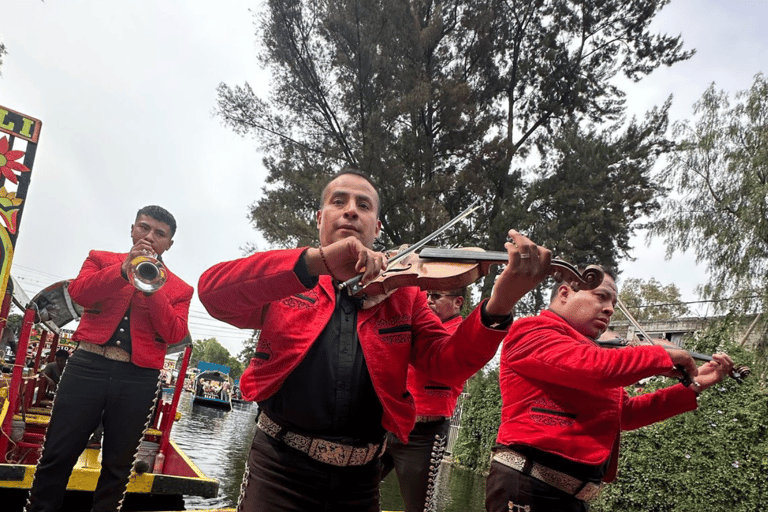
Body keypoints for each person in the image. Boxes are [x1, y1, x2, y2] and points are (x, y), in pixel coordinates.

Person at [197, 169, 552, 512]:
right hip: (279, 470)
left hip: (361, 480)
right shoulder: (288, 276)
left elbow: (447, 364)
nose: (351, 209)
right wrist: (315, 262)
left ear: (376, 227)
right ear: (320, 218)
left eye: (364, 205)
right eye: (340, 201)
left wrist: (500, 304)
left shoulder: (404, 294)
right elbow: (214, 294)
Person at [486, 269, 734, 512]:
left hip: (565, 495)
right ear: (564, 293)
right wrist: (658, 355)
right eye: (601, 296)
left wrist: (697, 383)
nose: (610, 309)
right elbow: (594, 367)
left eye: (613, 302)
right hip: (529, 485)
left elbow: (625, 414)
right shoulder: (531, 330)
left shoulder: (591, 351)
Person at [26, 205, 193, 512]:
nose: (150, 236)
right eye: (144, 228)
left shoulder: (181, 288)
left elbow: (174, 333)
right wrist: (122, 270)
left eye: (160, 234)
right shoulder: (99, 259)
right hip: (88, 365)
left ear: (169, 243)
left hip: (139, 377)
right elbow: (80, 295)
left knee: (118, 466)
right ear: (132, 229)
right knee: (56, 455)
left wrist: (153, 286)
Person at [380, 287, 468, 512]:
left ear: (458, 302)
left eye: (436, 296)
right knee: (353, 490)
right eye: (427, 295)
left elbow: (441, 358)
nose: (429, 301)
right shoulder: (416, 324)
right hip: (386, 425)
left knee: (419, 506)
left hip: (424, 435)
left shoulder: (462, 334)